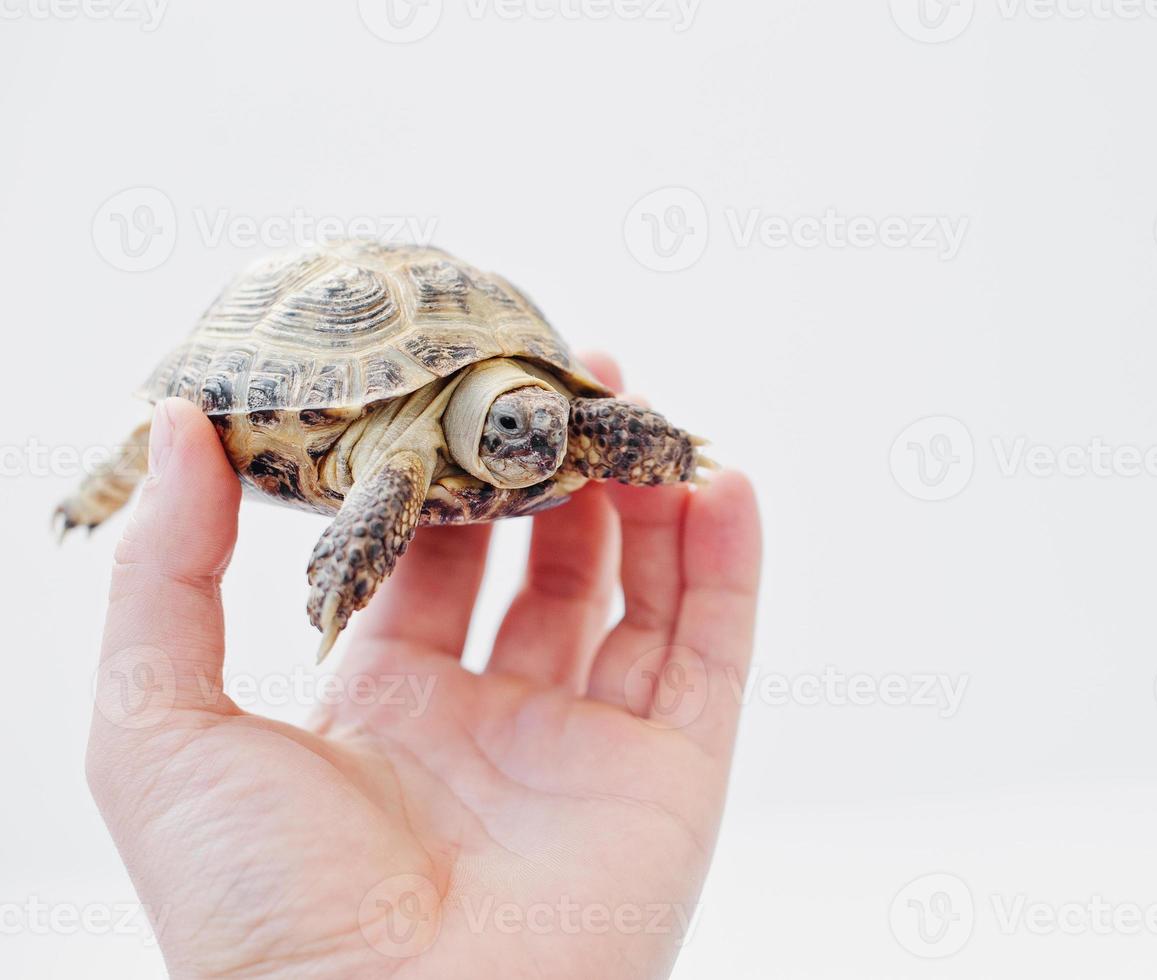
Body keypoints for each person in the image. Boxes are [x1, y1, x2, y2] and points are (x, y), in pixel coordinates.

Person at [85, 354, 762, 978]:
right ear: (474, 417)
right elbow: (397, 470)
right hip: (374, 422)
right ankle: (117, 476)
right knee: (348, 469)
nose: (536, 445)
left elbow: (572, 421)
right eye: (508, 425)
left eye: (550, 427)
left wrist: (660, 449)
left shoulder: (548, 424)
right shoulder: (403, 454)